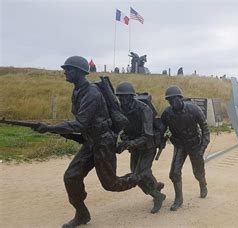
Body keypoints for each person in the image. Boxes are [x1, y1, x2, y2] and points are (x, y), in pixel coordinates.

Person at [36, 56, 138, 228]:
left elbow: (80, 123)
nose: (65, 72)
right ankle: (82, 214)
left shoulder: (91, 93)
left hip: (103, 142)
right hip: (91, 142)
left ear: (79, 72)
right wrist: (54, 128)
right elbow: (83, 122)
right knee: (71, 176)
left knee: (111, 184)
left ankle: (140, 177)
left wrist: (50, 127)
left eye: (68, 69)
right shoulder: (77, 91)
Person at [115, 81, 166, 214]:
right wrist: (124, 139)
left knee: (140, 175)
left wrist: (131, 143)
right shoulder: (121, 109)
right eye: (119, 96)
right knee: (135, 174)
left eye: (124, 96)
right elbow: (124, 128)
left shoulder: (144, 109)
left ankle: (157, 196)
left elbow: (147, 136)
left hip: (148, 145)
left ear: (131, 96)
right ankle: (156, 186)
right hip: (135, 146)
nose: (121, 99)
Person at [161, 85, 210, 211]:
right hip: (180, 145)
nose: (172, 102)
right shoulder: (167, 113)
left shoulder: (193, 109)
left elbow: (205, 128)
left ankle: (202, 183)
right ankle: (179, 199)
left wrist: (202, 147)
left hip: (194, 144)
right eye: (169, 100)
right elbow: (160, 129)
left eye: (174, 99)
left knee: (198, 172)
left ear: (180, 98)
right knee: (174, 173)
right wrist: (162, 137)